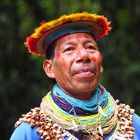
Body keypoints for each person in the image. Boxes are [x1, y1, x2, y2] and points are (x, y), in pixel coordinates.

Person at [10, 12, 140, 140]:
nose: (84, 55)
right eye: (69, 49)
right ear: (50, 69)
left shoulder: (131, 123)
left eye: (90, 47)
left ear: (100, 64)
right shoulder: (31, 132)